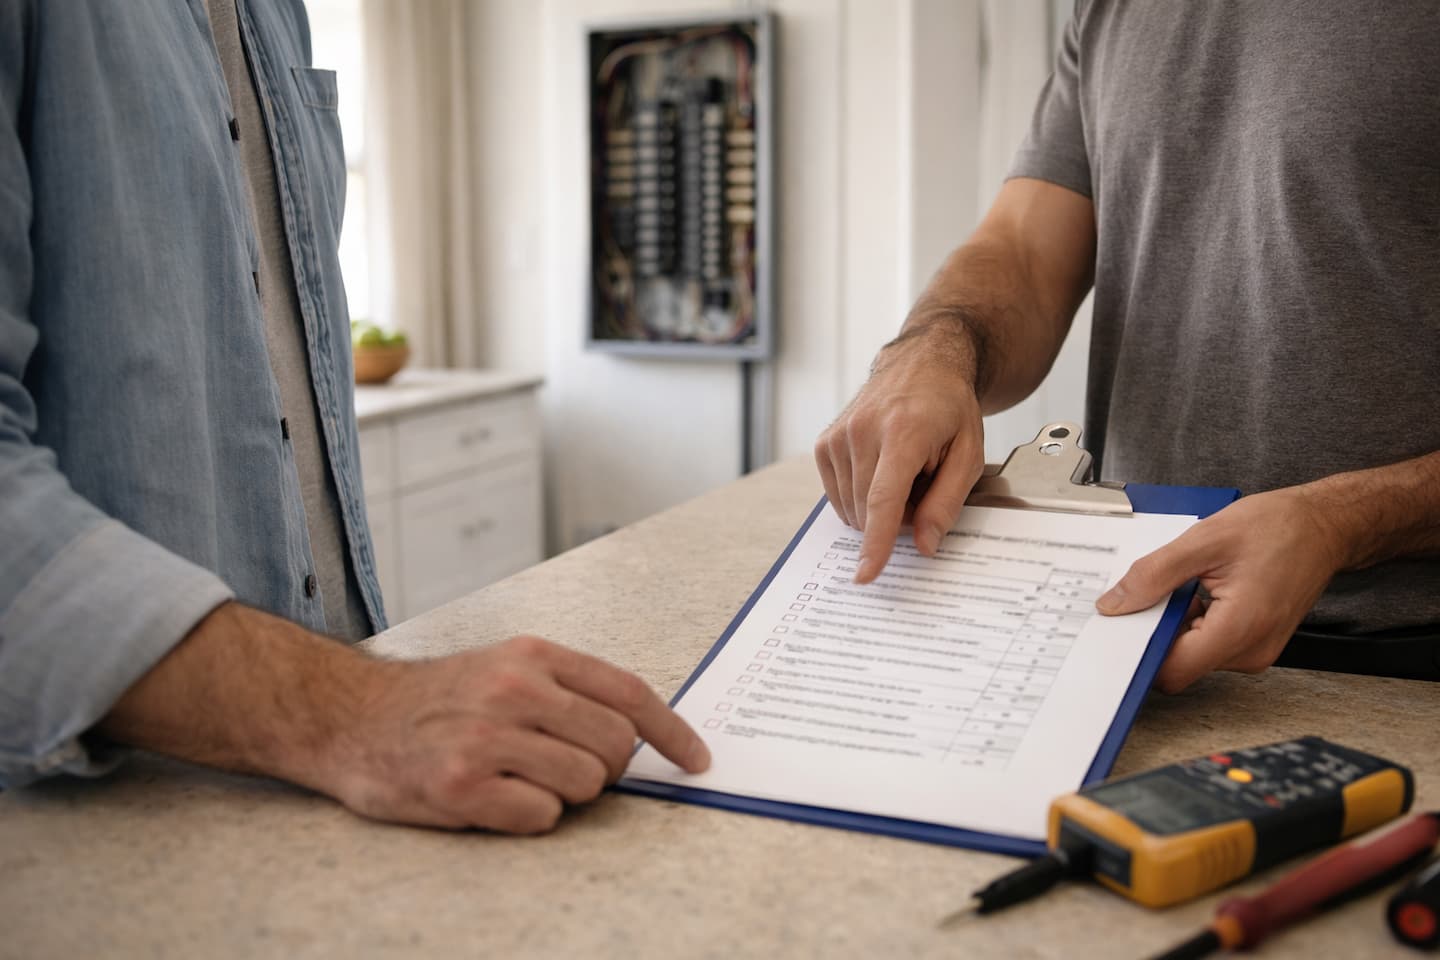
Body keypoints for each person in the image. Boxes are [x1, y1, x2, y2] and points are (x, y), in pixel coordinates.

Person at [0, 0, 708, 829]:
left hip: (336, 795)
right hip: (101, 827)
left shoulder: (277, 14)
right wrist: (351, 709)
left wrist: (368, 707)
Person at [816, 1, 1440, 693]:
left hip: (1405, 664)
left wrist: (1340, 523)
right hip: (1134, 621)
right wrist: (933, 352)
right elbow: (1024, 252)